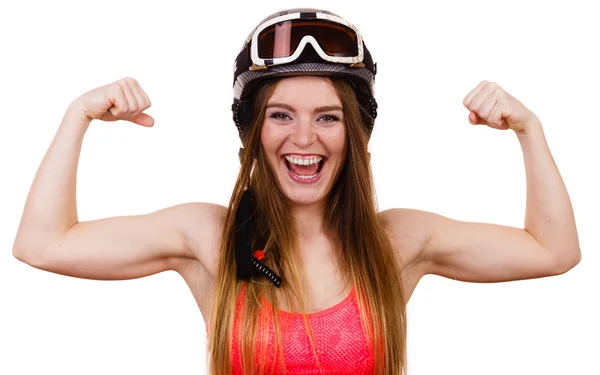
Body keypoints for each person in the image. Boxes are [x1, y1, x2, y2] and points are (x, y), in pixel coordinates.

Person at [11, 7, 581, 375]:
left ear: (353, 135)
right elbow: (43, 244)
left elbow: (552, 251)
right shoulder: (208, 237)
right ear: (254, 130)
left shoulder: (397, 241)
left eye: (327, 118)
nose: (303, 138)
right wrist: (76, 115)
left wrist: (530, 131)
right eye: (281, 114)